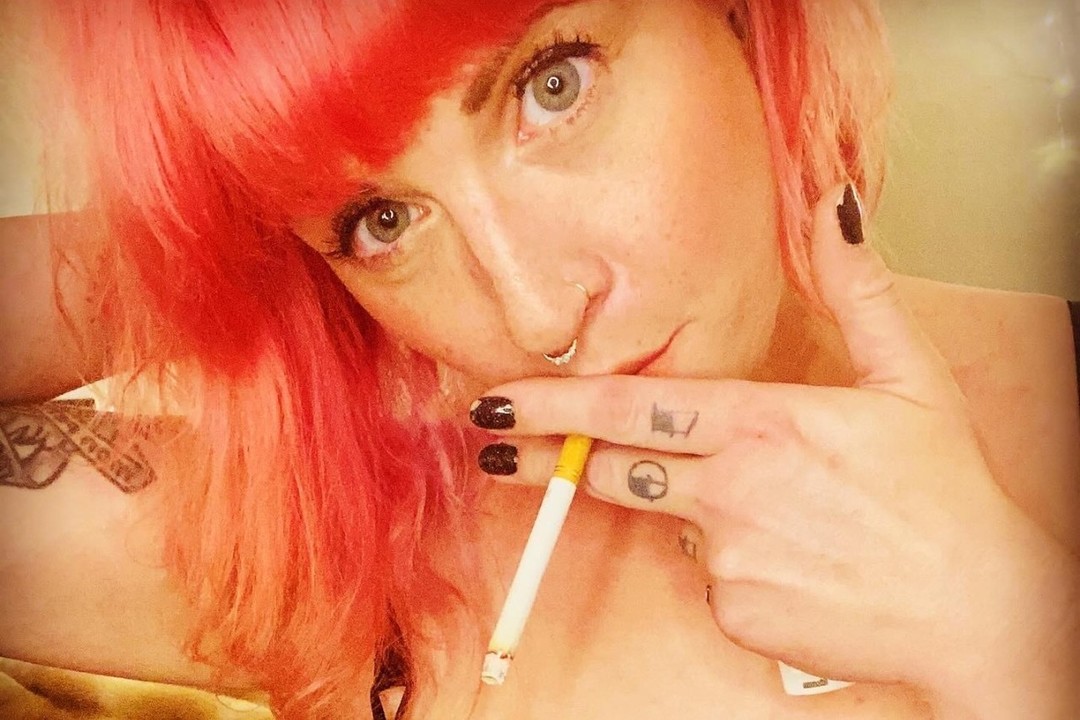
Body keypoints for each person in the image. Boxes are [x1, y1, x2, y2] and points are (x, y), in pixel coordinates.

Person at [1, 0, 1077, 718]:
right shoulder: (369, 554)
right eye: (382, 221)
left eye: (551, 87)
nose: (537, 314)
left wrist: (1012, 637)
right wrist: (211, 247)